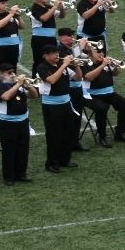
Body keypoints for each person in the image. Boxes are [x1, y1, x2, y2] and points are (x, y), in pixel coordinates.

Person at [34, 44, 79, 173]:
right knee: (54, 134)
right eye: (54, 53)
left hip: (65, 103)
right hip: (52, 106)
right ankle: (52, 163)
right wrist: (65, 65)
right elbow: (51, 80)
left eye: (57, 53)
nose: (57, 55)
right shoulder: (42, 67)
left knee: (68, 132)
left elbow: (77, 78)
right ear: (46, 56)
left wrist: (76, 66)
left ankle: (65, 159)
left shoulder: (60, 65)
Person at [0, 63, 37, 185]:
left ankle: (21, 174)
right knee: (9, 150)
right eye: (9, 73)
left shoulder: (18, 86)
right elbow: (6, 97)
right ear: (1, 74)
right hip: (7, 124)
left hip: (22, 122)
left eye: (13, 72)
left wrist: (28, 86)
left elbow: (34, 95)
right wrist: (18, 84)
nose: (13, 75)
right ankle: (9, 177)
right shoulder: (0, 87)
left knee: (23, 149)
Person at [81, 43, 125, 146]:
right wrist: (103, 65)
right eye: (98, 52)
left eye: (103, 52)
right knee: (101, 108)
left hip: (109, 93)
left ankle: (120, 132)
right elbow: (89, 77)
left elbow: (115, 74)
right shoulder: (86, 63)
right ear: (91, 53)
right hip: (91, 95)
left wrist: (116, 66)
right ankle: (102, 137)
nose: (101, 54)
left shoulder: (105, 62)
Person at [28, 0, 67, 66]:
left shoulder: (48, 7)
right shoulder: (33, 8)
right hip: (40, 39)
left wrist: (62, 8)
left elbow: (62, 16)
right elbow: (44, 18)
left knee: (52, 61)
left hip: (51, 37)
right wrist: (54, 7)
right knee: (39, 61)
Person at [0, 0, 23, 73]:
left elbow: (22, 26)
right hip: (1, 48)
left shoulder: (9, 14)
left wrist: (18, 16)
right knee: (1, 72)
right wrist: (11, 14)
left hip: (14, 47)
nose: (6, 5)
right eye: (3, 3)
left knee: (13, 71)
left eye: (6, 3)